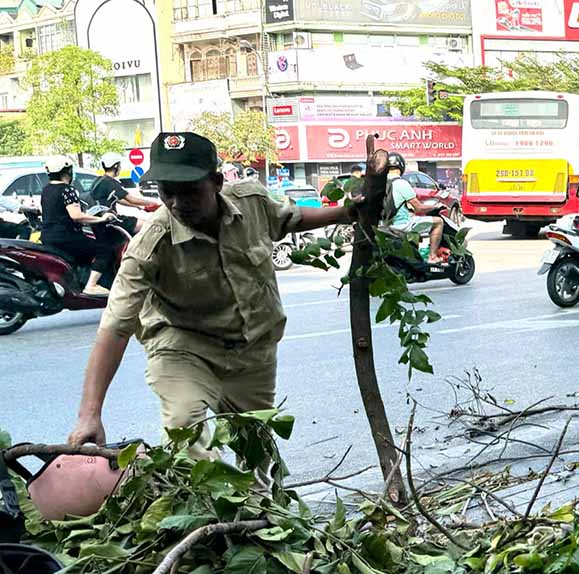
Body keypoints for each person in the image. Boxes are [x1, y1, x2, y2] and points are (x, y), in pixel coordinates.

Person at [67, 132, 388, 450]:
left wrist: (347, 212)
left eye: (189, 192)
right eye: (167, 192)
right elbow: (114, 326)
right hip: (183, 346)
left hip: (252, 347)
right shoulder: (150, 245)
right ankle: (195, 496)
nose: (177, 204)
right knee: (185, 431)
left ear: (217, 183)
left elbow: (290, 218)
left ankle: (255, 500)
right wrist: (89, 416)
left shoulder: (250, 200)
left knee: (255, 448)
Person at [39, 156, 119, 296]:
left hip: (48, 237)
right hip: (66, 237)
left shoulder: (46, 189)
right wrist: (101, 219)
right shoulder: (67, 190)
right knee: (105, 250)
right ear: (67, 171)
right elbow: (76, 215)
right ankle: (91, 285)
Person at [385, 153, 445, 263]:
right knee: (438, 222)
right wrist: (435, 206)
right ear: (401, 166)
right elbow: (419, 208)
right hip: (402, 225)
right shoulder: (402, 183)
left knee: (414, 219)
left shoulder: (382, 184)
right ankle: (432, 257)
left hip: (386, 225)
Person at [91, 152, 158, 235]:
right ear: (116, 166)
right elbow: (131, 199)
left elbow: (119, 200)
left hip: (100, 220)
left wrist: (138, 206)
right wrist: (153, 203)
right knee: (148, 226)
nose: (120, 168)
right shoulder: (110, 182)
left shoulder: (99, 180)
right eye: (120, 166)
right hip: (110, 219)